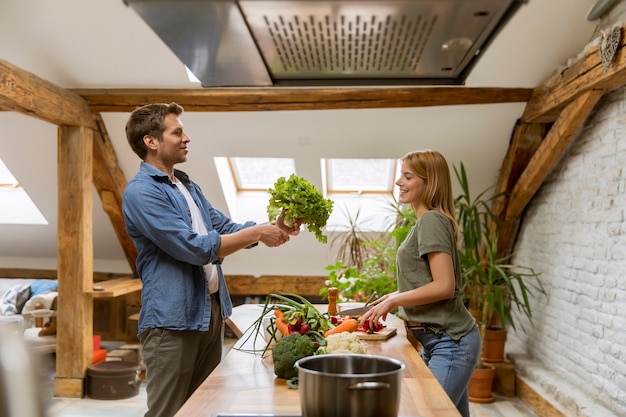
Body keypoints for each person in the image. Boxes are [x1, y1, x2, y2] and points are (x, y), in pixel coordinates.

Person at [122, 102, 301, 417]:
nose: (186, 137)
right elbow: (194, 247)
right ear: (151, 141)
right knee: (170, 411)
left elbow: (225, 229)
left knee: (203, 409)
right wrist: (260, 233)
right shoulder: (141, 193)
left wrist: (274, 227)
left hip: (210, 312)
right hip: (172, 320)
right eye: (177, 132)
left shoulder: (186, 186)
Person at [359, 149, 480, 417]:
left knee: (426, 412)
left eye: (408, 176)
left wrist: (394, 300)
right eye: (400, 175)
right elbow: (428, 282)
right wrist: (391, 296)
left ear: (430, 182)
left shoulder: (431, 221)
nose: (399, 182)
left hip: (452, 343)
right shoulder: (425, 221)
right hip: (439, 342)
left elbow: (444, 286)